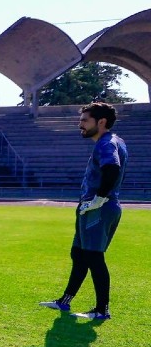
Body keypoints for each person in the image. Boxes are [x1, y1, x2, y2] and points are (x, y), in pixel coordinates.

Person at [40, 102, 127, 321]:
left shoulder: (106, 143)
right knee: (79, 254)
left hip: (99, 208)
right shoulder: (115, 141)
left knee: (94, 258)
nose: (80, 125)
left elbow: (113, 168)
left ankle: (101, 310)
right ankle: (64, 302)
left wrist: (99, 198)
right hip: (93, 207)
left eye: (84, 120)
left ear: (101, 122)